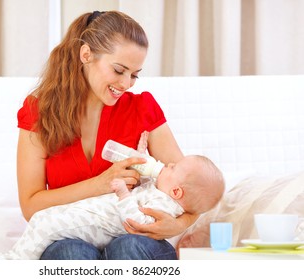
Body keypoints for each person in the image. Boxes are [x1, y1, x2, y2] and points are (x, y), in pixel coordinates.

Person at [17, 10, 200, 260]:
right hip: (71, 236)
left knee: (128, 247)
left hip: (133, 236)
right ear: (86, 54)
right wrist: (100, 184)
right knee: (70, 252)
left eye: (134, 74)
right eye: (118, 70)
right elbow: (31, 206)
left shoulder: (142, 108)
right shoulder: (39, 112)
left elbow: (192, 186)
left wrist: (179, 225)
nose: (126, 84)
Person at [0, 154, 225, 259]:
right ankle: (16, 259)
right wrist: (141, 153)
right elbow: (144, 178)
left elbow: (140, 222)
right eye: (119, 70)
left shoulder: (164, 202)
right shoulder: (161, 189)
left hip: (103, 226)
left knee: (45, 223)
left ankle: (16, 265)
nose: (168, 164)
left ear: (176, 192)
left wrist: (124, 194)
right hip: (91, 224)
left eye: (173, 167)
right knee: (63, 245)